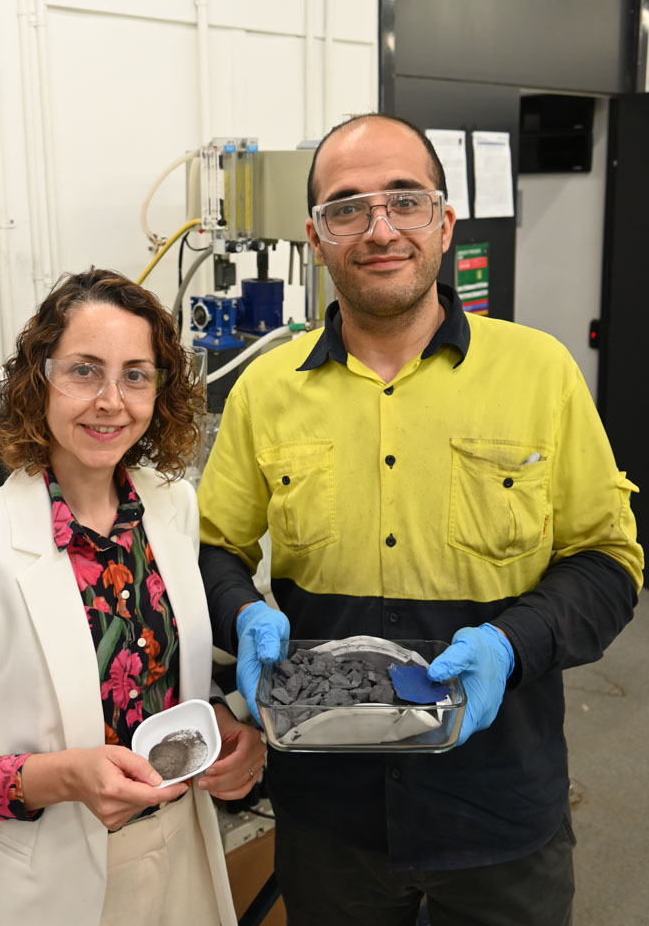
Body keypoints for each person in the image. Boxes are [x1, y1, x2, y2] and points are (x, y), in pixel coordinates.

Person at [197, 114, 644, 926]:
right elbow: (212, 547)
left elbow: (609, 562)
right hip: (328, 816)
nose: (380, 230)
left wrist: (512, 644)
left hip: (499, 809)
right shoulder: (267, 389)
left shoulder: (539, 372)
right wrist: (242, 612)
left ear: (444, 222)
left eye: (405, 200)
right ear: (315, 237)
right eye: (347, 207)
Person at [0, 269, 264, 926]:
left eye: (135, 375)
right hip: (40, 886)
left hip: (183, 861)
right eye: (85, 371)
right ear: (40, 381)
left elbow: (164, 681)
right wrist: (60, 777)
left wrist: (225, 728)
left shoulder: (171, 506)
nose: (111, 401)